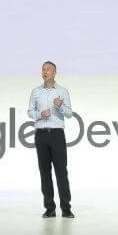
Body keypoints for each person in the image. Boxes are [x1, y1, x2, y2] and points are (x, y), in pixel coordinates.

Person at [27, 60, 73, 217]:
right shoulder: (35, 92)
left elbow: (69, 114)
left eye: (48, 69)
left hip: (57, 135)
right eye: (43, 69)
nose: (44, 72)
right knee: (45, 172)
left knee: (61, 172)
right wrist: (40, 114)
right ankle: (50, 209)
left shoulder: (62, 91)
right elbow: (30, 112)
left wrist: (60, 105)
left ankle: (66, 208)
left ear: (54, 72)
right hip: (41, 135)